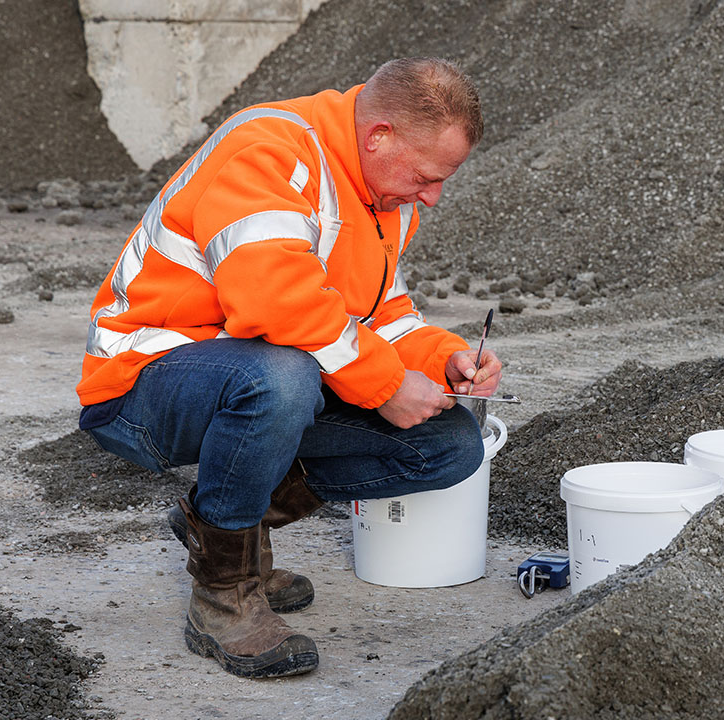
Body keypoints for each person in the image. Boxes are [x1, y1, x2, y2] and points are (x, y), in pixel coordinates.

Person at [75, 57, 501, 679]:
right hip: (142, 381)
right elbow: (270, 300)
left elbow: (382, 316)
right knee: (280, 376)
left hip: (255, 376)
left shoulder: (383, 196)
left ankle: (224, 523)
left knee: (448, 445)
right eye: (427, 176)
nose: (432, 197)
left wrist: (447, 359)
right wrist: (383, 386)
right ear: (379, 135)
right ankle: (222, 596)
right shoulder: (269, 147)